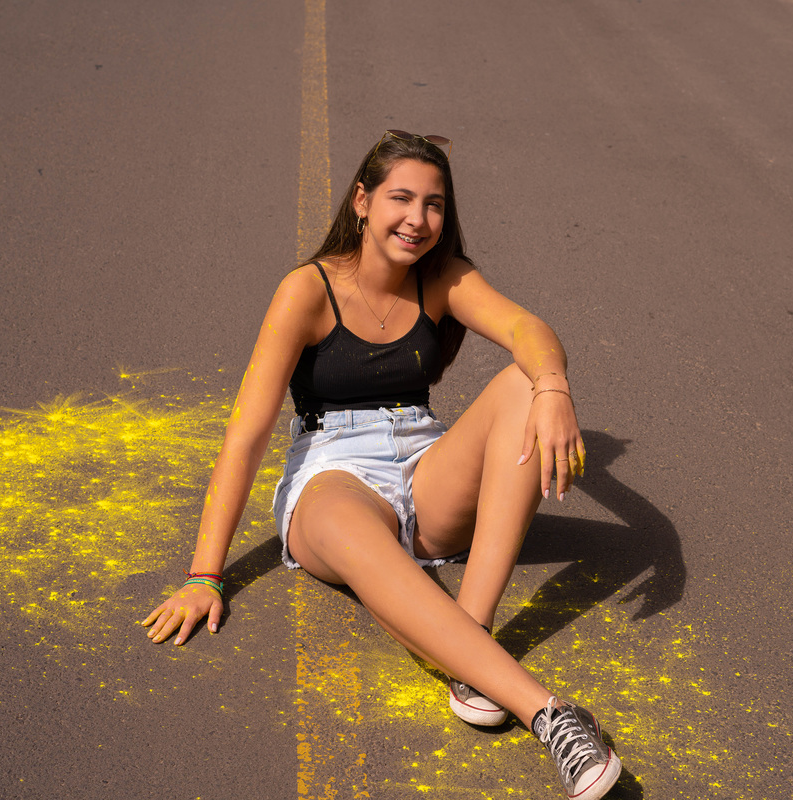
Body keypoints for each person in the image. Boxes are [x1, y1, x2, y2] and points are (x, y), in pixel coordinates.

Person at [141, 130, 622, 800]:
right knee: (349, 530)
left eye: (434, 204)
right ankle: (548, 712)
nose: (417, 219)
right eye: (401, 198)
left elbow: (527, 330)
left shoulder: (443, 277)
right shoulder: (307, 290)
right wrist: (205, 575)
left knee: (524, 383)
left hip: (424, 461)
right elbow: (245, 438)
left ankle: (469, 646)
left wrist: (553, 388)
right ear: (362, 202)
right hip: (330, 473)